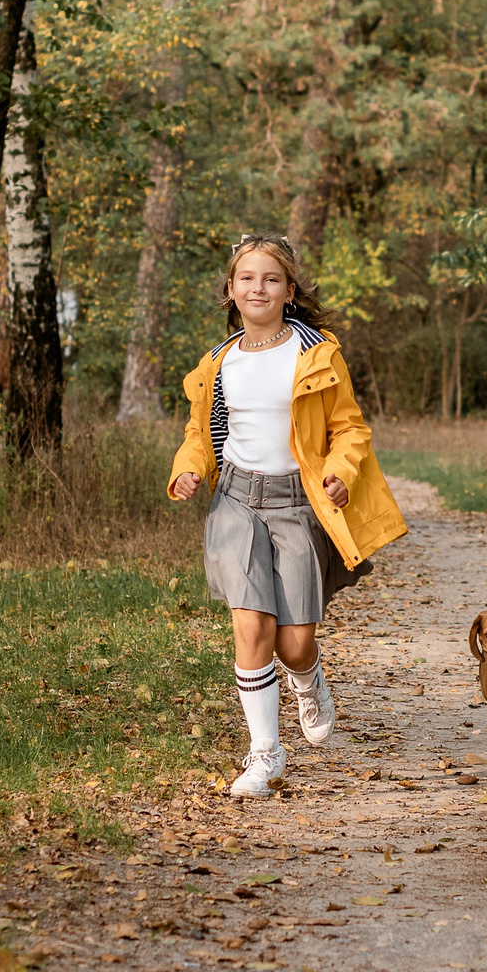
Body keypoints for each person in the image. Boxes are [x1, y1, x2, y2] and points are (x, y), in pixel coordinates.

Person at [169, 233, 406, 798]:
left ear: (289, 291)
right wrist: (189, 467)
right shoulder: (216, 363)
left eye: (271, 279)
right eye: (247, 278)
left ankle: (308, 679)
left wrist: (341, 475)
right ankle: (265, 755)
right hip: (235, 501)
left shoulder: (316, 353)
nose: (258, 287)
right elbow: (200, 435)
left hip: (297, 502)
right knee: (252, 625)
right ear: (231, 290)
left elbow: (350, 427)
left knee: (294, 641)